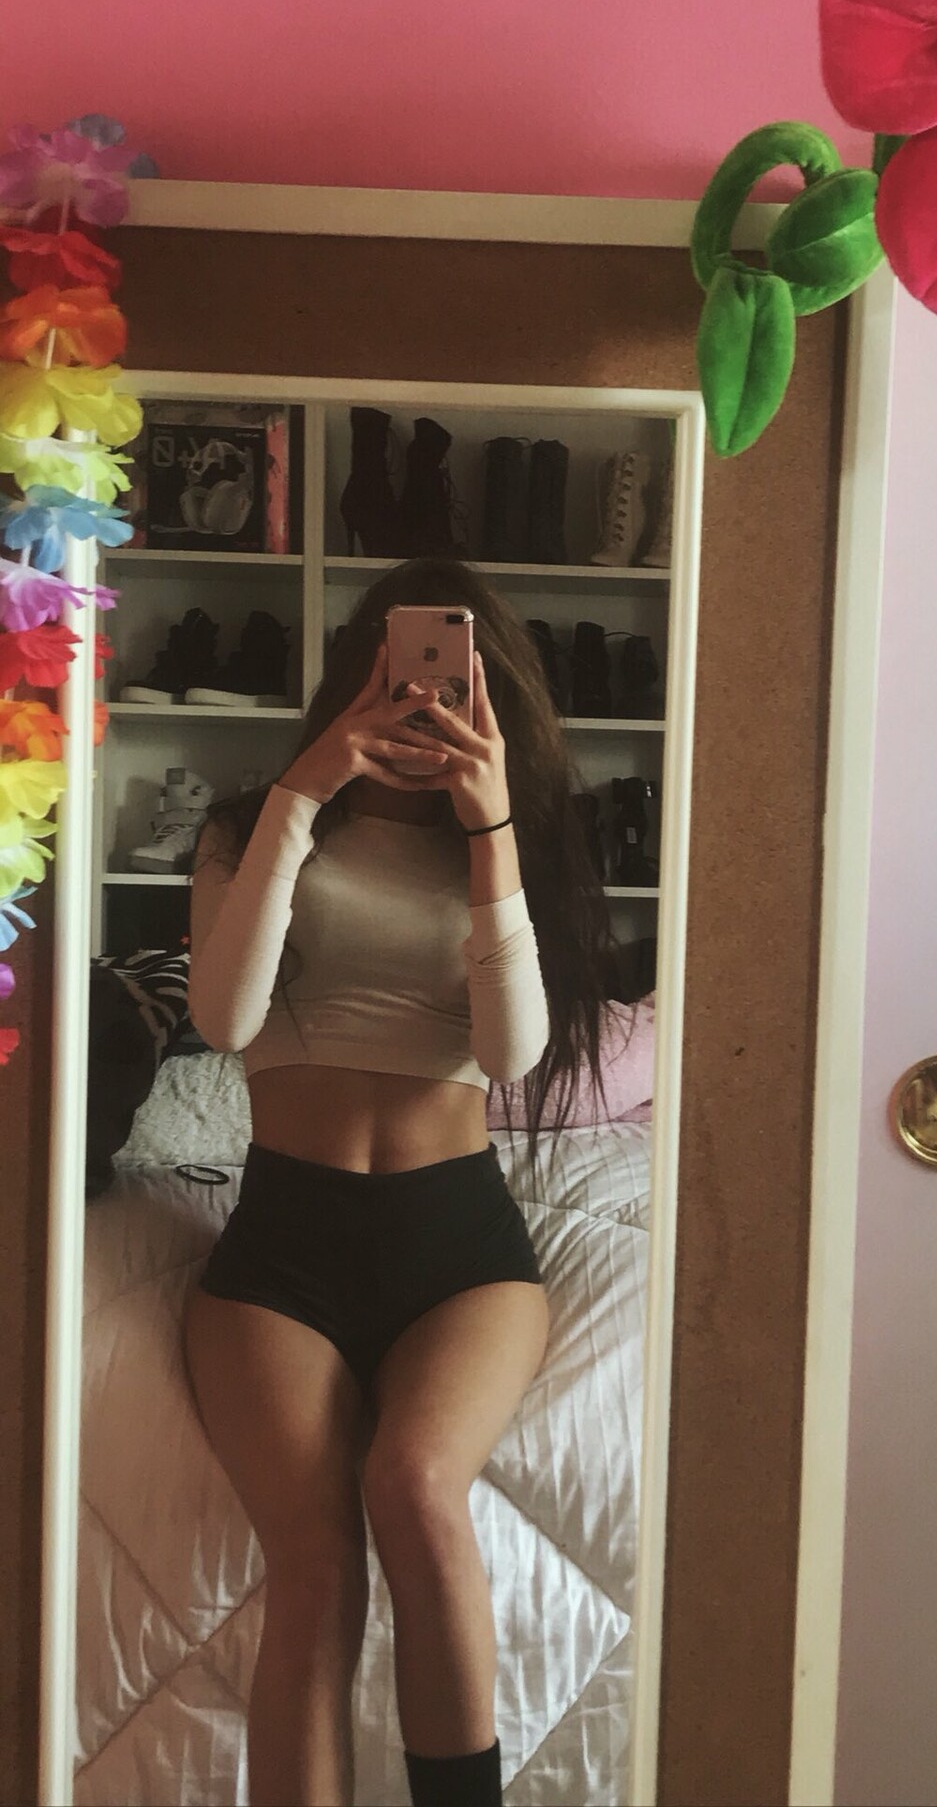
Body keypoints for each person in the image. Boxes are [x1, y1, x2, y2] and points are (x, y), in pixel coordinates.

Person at [181, 557, 617, 1807]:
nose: (424, 699)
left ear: (491, 689)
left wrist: (491, 832)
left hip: (459, 1249)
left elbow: (512, 1054)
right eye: (398, 672)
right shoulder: (252, 827)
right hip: (282, 1246)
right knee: (315, 1568)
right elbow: (224, 1020)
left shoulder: (521, 844)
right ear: (357, 673)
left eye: (450, 678)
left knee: (417, 1489)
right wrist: (305, 791)